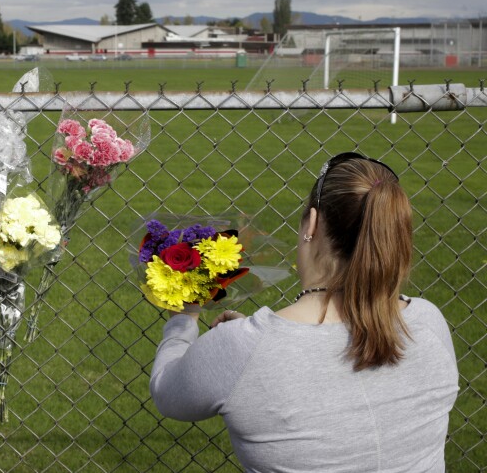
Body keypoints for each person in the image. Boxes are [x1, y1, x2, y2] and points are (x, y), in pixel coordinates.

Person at [150, 152, 459, 472]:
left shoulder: (241, 348)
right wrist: (255, 346)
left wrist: (184, 321)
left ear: (311, 224)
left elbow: (167, 392)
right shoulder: (427, 322)